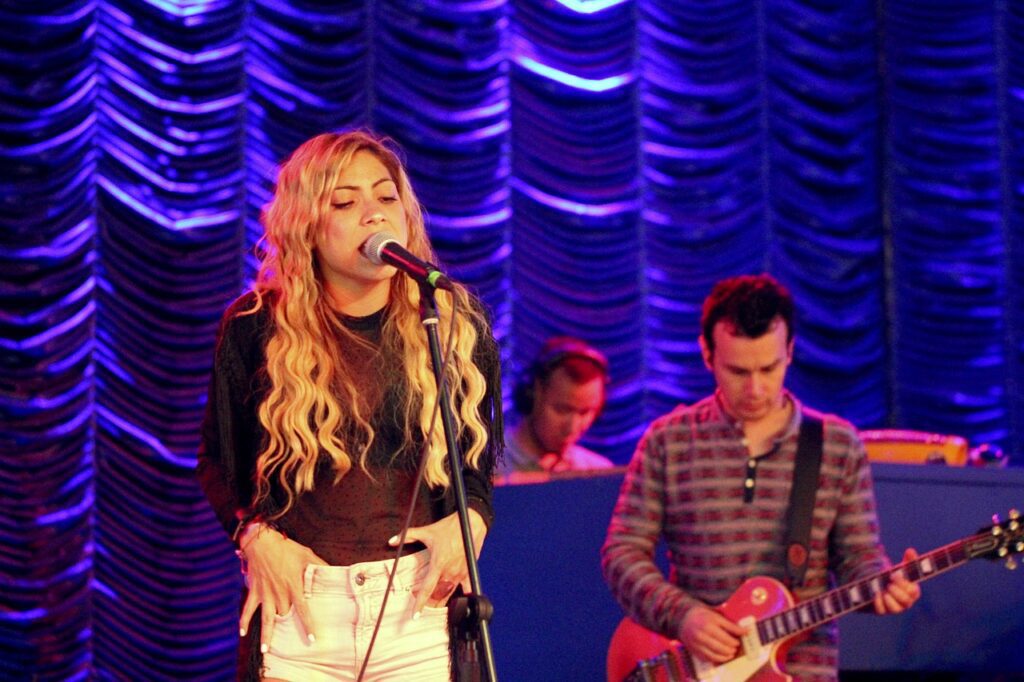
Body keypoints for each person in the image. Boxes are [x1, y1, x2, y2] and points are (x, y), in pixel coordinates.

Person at [196, 130, 503, 681]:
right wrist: (253, 537)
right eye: (345, 201)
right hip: (303, 611)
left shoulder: (450, 322)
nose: (374, 214)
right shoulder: (255, 327)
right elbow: (219, 461)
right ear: (306, 225)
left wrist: (472, 522)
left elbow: (474, 460)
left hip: (419, 608)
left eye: (387, 197)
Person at [601, 274, 919, 681]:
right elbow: (622, 552)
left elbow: (859, 557)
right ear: (707, 354)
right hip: (695, 668)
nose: (755, 389)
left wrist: (884, 586)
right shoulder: (669, 440)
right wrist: (684, 617)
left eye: (769, 368)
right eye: (737, 371)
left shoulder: (837, 444)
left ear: (790, 351)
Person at [500, 336, 614, 474]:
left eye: (585, 412)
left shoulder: (599, 471)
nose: (572, 427)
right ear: (534, 394)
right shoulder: (484, 467)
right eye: (562, 410)